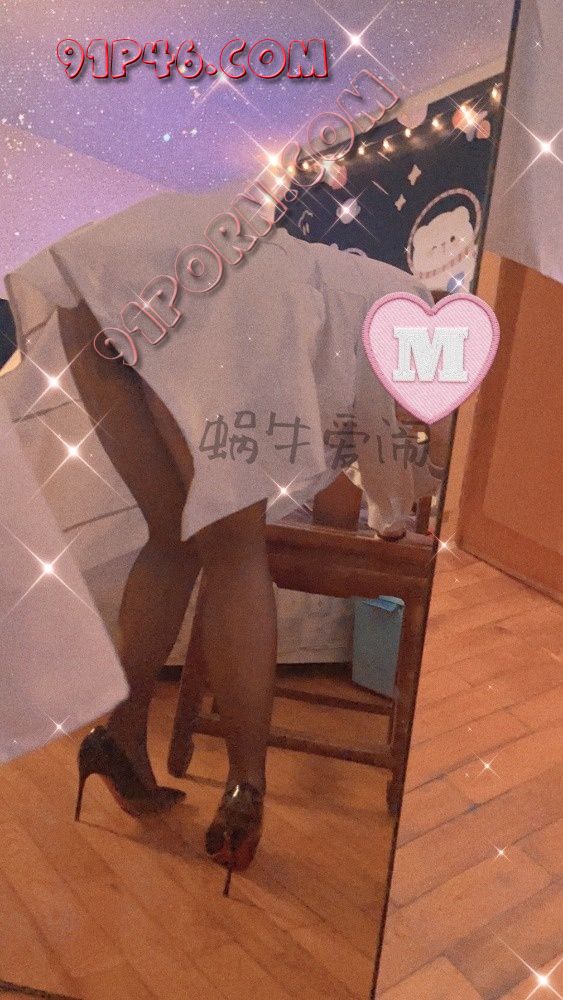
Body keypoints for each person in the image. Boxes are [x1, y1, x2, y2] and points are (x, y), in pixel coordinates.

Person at [4, 178, 433, 875]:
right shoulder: (396, 304)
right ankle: (244, 788)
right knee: (235, 551)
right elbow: (382, 434)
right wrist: (390, 513)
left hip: (93, 274)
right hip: (208, 279)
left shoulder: (343, 283)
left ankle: (120, 736)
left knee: (173, 535)